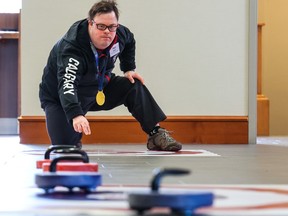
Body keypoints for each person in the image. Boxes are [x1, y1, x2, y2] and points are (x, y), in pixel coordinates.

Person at [39, 0, 182, 151]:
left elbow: (130, 41)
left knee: (133, 85)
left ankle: (156, 134)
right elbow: (67, 84)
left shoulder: (119, 34)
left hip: (97, 87)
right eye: (101, 26)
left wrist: (128, 69)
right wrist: (76, 114)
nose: (107, 31)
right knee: (64, 148)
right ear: (90, 23)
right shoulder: (72, 48)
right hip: (61, 98)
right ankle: (72, 140)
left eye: (112, 26)